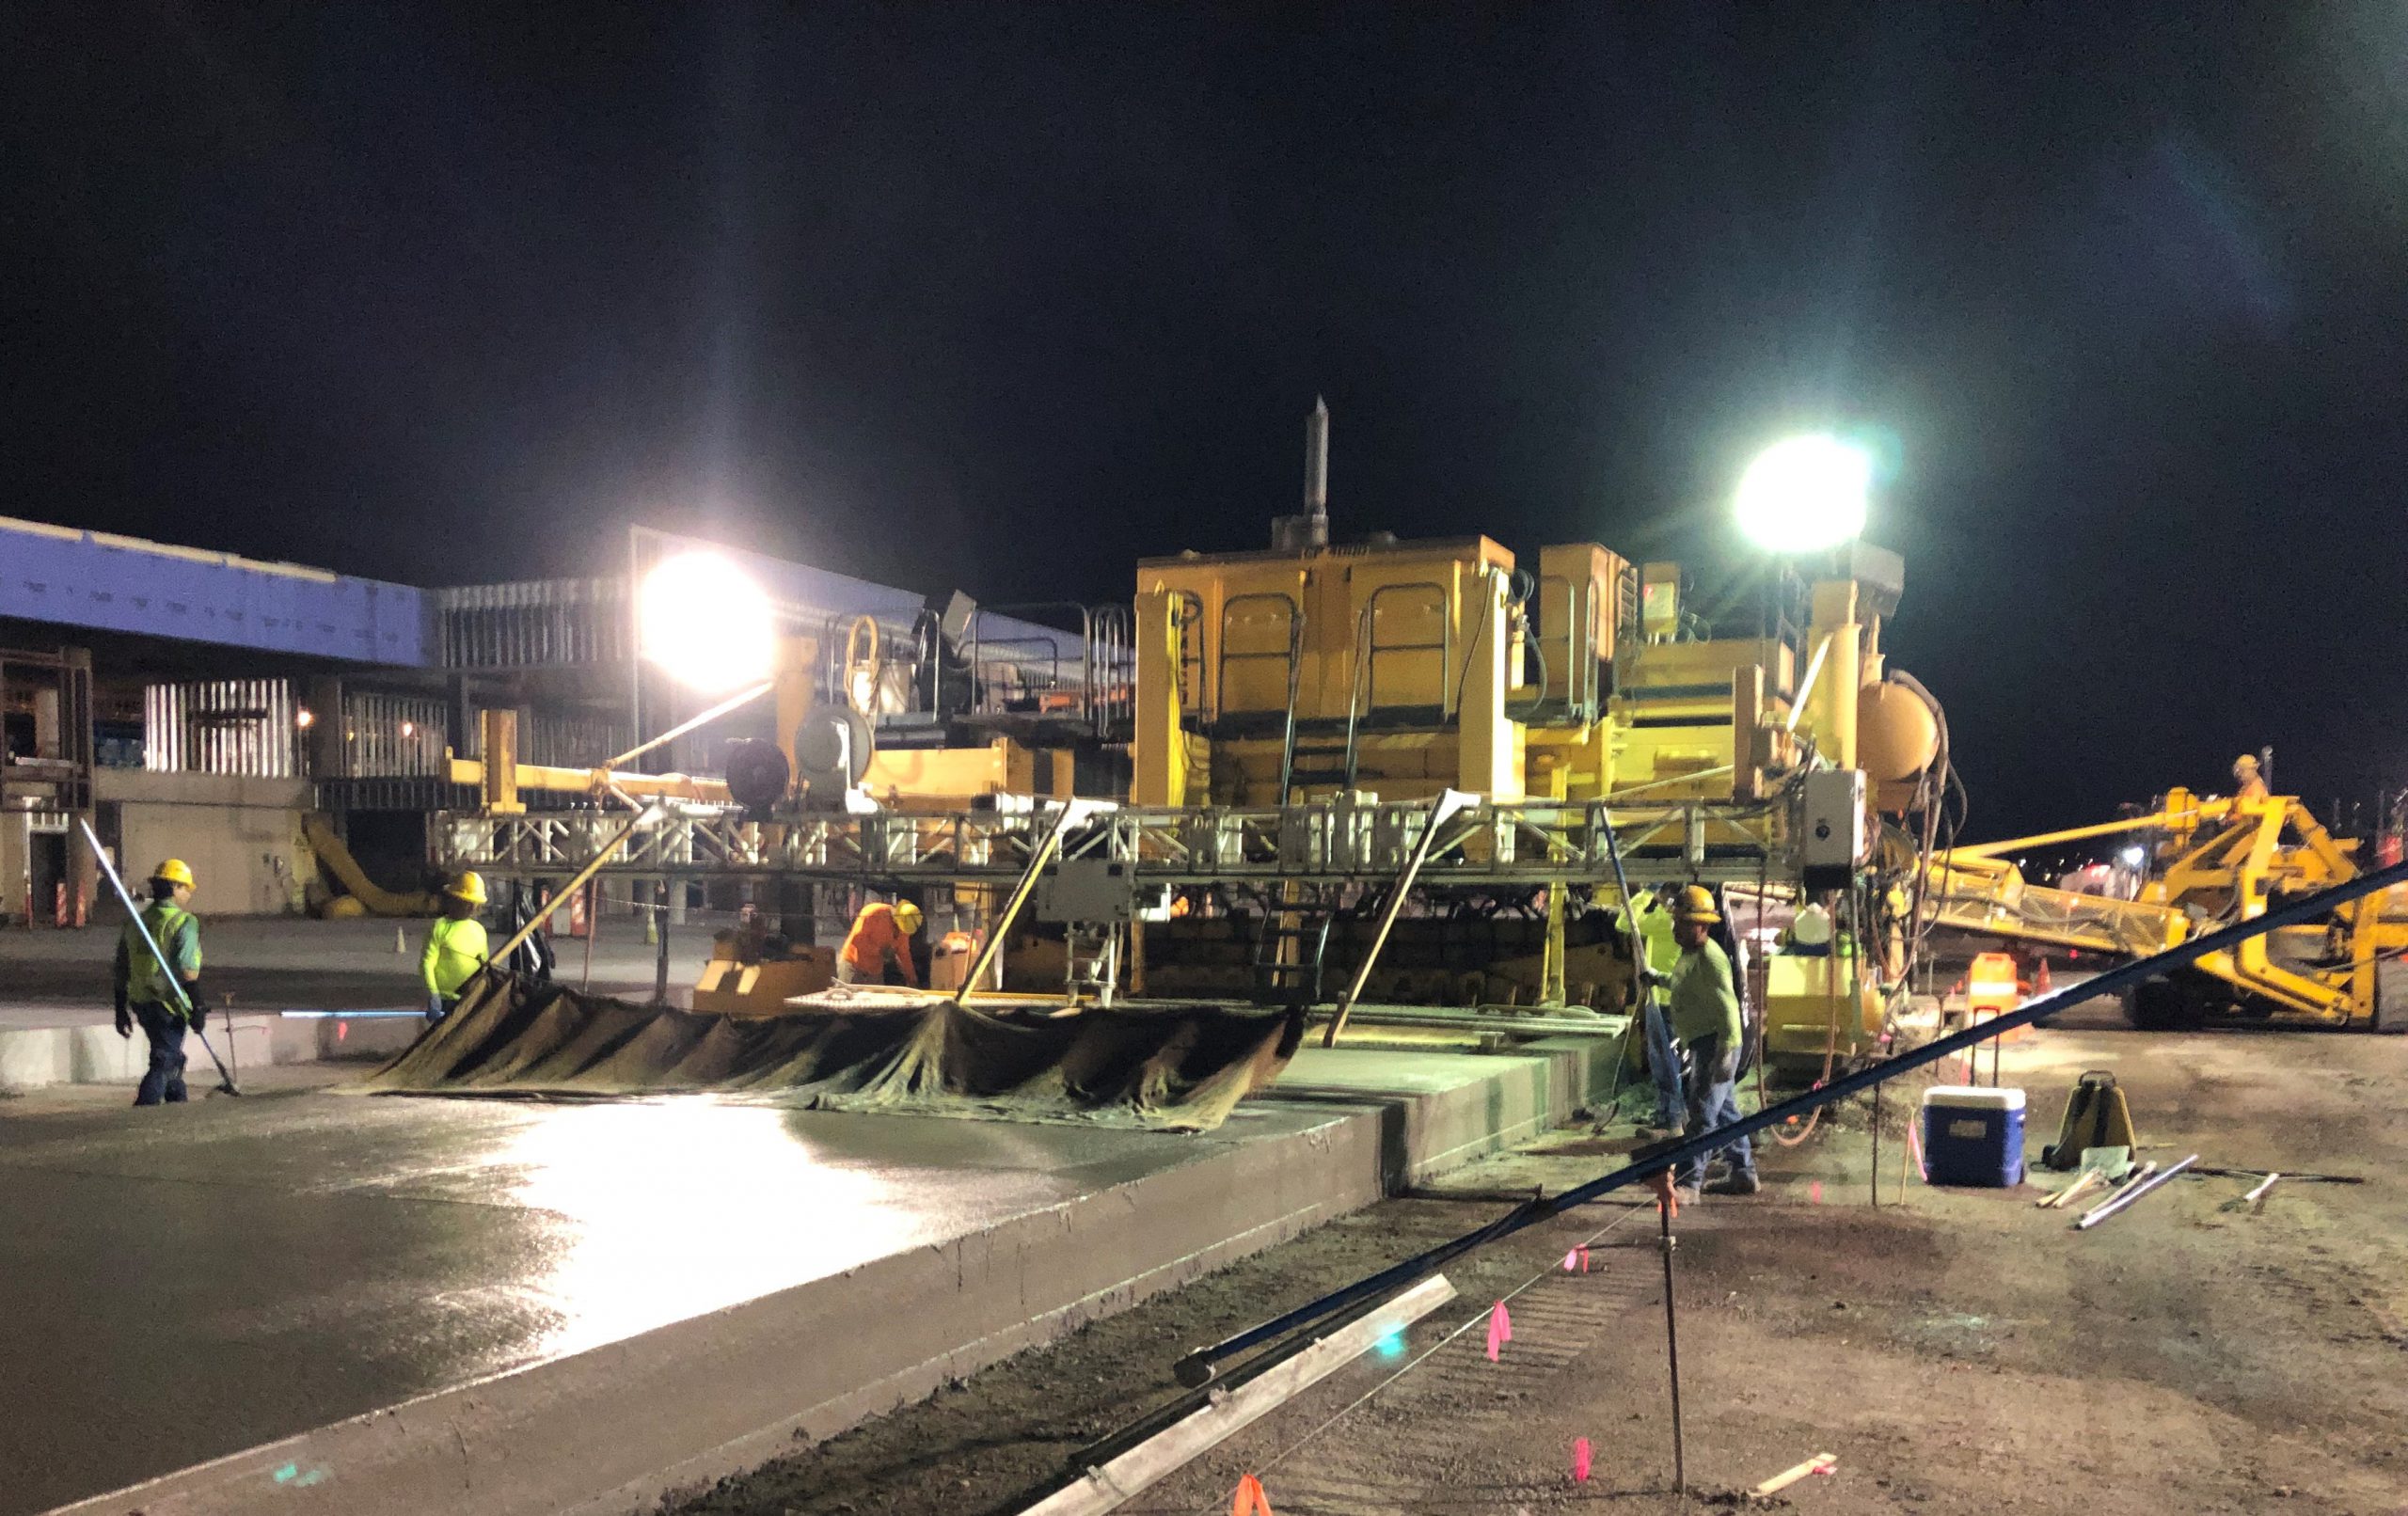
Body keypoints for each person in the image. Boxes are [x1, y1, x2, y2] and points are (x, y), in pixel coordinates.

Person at [1667, 884, 1758, 1200]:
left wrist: (1725, 1054)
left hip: (1718, 1044)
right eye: (1675, 921)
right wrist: (1656, 978)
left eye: (1682, 922)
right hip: (1705, 1043)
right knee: (1725, 1113)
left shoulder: (1711, 958)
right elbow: (1686, 986)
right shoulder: (1691, 955)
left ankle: (1688, 1185)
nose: (1675, 927)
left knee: (1703, 1113)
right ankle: (1743, 1174)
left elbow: (1729, 1009)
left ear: (1702, 926)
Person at [111, 859, 204, 1106]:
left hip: (141, 1002)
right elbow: (187, 971)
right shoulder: (184, 922)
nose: (188, 894)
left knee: (172, 1056)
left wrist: (120, 1010)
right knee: (164, 1060)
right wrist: (198, 1006)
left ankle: (177, 1104)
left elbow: (121, 968)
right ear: (174, 887)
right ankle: (145, 1110)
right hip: (170, 1005)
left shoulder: (135, 921)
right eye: (186, 888)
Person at [1628, 890, 1686, 1140]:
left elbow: (1624, 921)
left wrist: (1645, 893)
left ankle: (1671, 1121)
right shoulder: (1671, 922)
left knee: (1664, 1062)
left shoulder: (1663, 922)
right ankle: (1671, 1116)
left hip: (1662, 1001)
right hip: (1666, 999)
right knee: (1668, 1061)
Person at [420, 871, 490, 1023]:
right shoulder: (439, 927)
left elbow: (485, 968)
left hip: (470, 999)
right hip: (445, 1001)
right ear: (454, 899)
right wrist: (434, 994)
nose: (471, 908)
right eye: (467, 903)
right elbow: (427, 963)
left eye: (474, 904)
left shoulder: (479, 930)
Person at [838, 898, 923, 987]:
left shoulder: (904, 926)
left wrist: (912, 978)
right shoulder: (872, 913)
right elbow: (857, 940)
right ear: (896, 918)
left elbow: (904, 953)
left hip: (875, 970)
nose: (901, 933)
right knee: (846, 997)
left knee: (876, 999)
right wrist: (880, 951)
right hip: (853, 965)